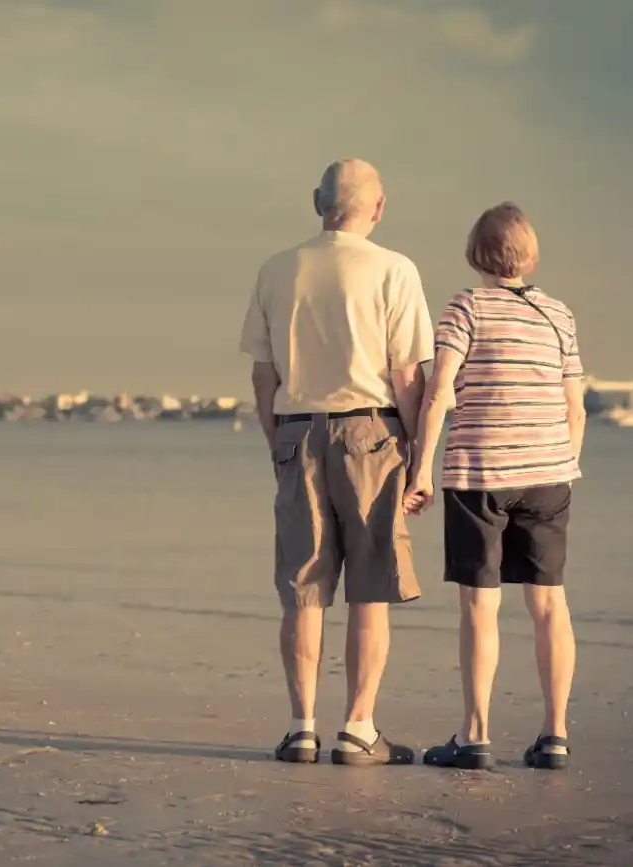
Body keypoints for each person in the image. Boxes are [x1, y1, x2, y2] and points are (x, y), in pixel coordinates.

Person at [239, 158, 433, 766]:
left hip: (298, 430)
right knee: (369, 590)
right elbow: (407, 377)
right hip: (372, 431)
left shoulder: (277, 268)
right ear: (377, 208)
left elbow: (263, 374)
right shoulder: (394, 269)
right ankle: (358, 730)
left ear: (316, 202)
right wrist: (419, 453)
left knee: (303, 588)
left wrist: (278, 442)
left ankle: (301, 728)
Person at [404, 202, 587, 771]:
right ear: (530, 255)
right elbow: (574, 404)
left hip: (479, 475)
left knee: (480, 608)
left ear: (475, 254)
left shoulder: (466, 306)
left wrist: (419, 468)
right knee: (549, 604)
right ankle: (554, 734)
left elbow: (438, 393)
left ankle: (475, 734)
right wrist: (563, 463)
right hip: (549, 476)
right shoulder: (559, 314)